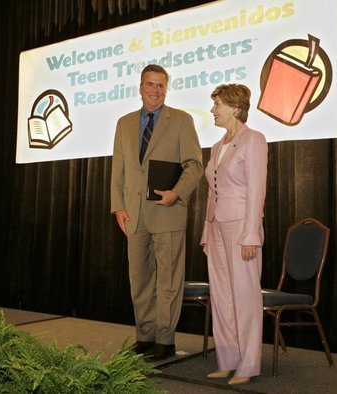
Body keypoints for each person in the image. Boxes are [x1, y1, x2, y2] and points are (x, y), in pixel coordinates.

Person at [111, 64, 203, 360]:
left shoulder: (181, 120)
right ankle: (145, 336)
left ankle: (165, 340)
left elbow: (194, 165)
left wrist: (177, 192)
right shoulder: (124, 123)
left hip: (168, 213)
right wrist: (118, 208)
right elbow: (119, 170)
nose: (155, 90)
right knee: (139, 280)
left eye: (160, 86)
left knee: (168, 281)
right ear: (140, 87)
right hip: (133, 216)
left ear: (167, 88)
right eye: (150, 84)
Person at [200, 84, 268, 385]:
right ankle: (227, 360)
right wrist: (206, 230)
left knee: (245, 297)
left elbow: (257, 189)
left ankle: (248, 364)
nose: (213, 110)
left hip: (241, 227)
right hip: (216, 227)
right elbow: (211, 193)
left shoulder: (253, 139)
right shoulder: (216, 147)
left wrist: (251, 234)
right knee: (222, 296)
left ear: (235, 108)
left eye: (217, 104)